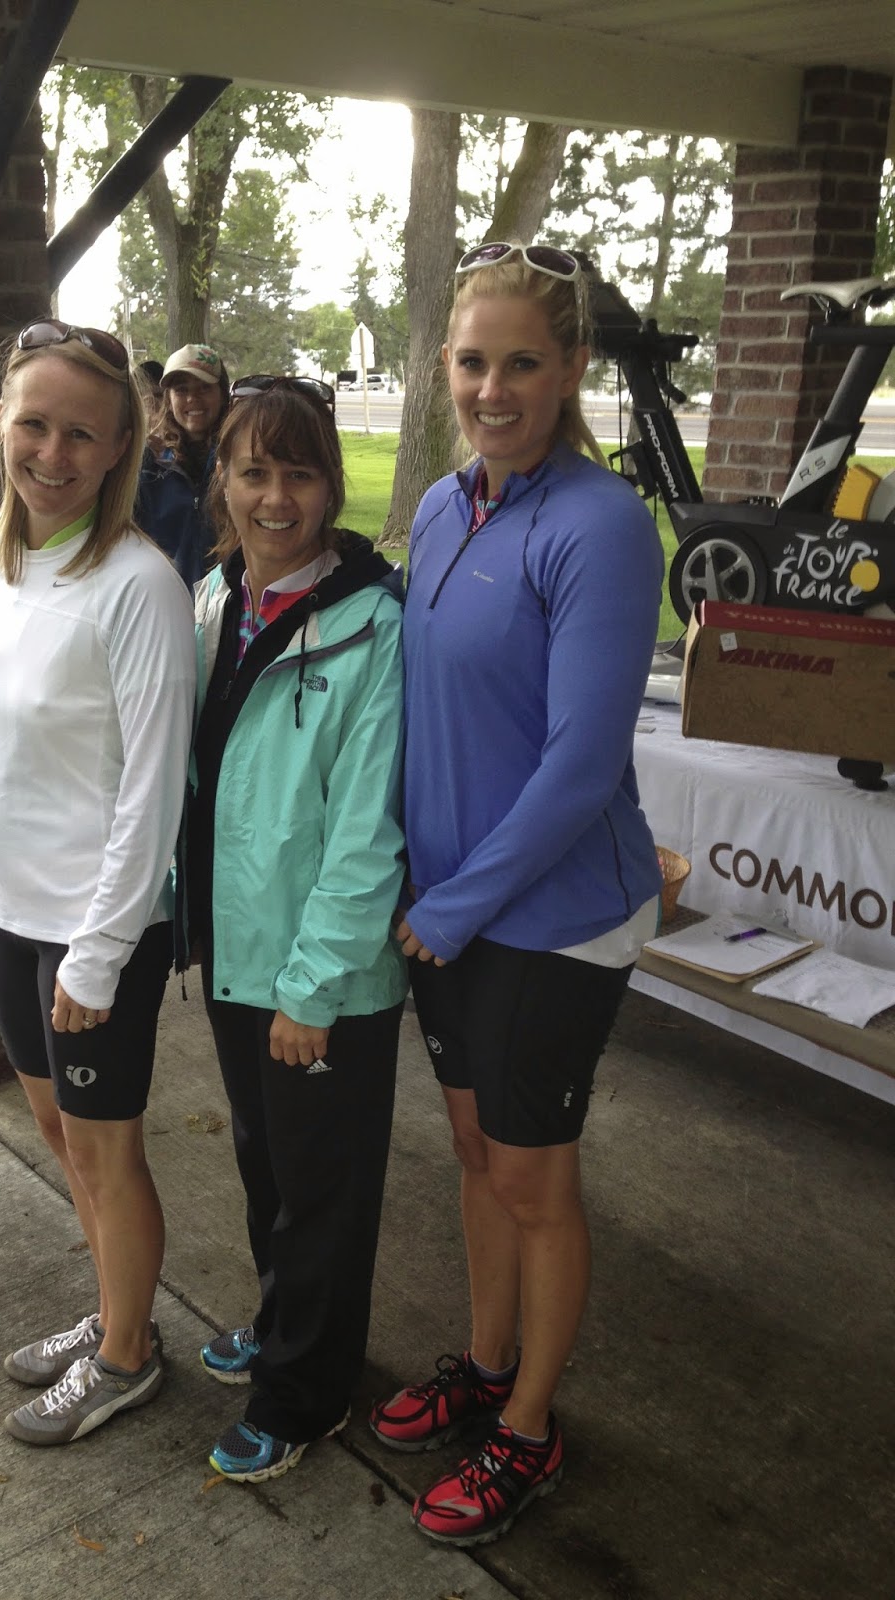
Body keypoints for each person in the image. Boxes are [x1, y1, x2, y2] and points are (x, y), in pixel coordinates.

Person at [368, 242, 663, 1544]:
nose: (493, 389)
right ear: (445, 364)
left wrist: (451, 906)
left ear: (573, 369)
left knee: (537, 1183)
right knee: (479, 1155)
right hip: (448, 909)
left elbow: (581, 764)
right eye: (473, 362)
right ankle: (487, 1366)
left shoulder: (601, 524)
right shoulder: (445, 506)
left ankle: (530, 1430)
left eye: (523, 364)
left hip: (553, 919)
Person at [0, 318, 196, 1447]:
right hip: (8, 910)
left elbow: (153, 790)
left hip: (100, 928)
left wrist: (98, 956)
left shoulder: (139, 585)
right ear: (3, 423)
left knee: (105, 1148)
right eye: (35, 424)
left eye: (82, 433)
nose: (53, 453)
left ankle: (129, 1357)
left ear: (120, 446)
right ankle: (113, 1310)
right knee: (55, 1126)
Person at [185, 375, 408, 1483]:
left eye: (301, 474)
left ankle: (306, 1393)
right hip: (235, 950)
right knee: (265, 1161)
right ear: (222, 482)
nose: (277, 498)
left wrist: (312, 987)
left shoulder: (374, 628)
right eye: (254, 472)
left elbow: (368, 833)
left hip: (324, 977)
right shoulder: (211, 601)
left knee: (323, 1190)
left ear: (332, 486)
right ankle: (284, 1324)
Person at [135, 343, 229, 591]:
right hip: (163, 598)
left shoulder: (239, 458)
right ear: (168, 398)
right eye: (181, 389)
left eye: (204, 388)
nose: (192, 399)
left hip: (229, 598)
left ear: (222, 394)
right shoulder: (149, 463)